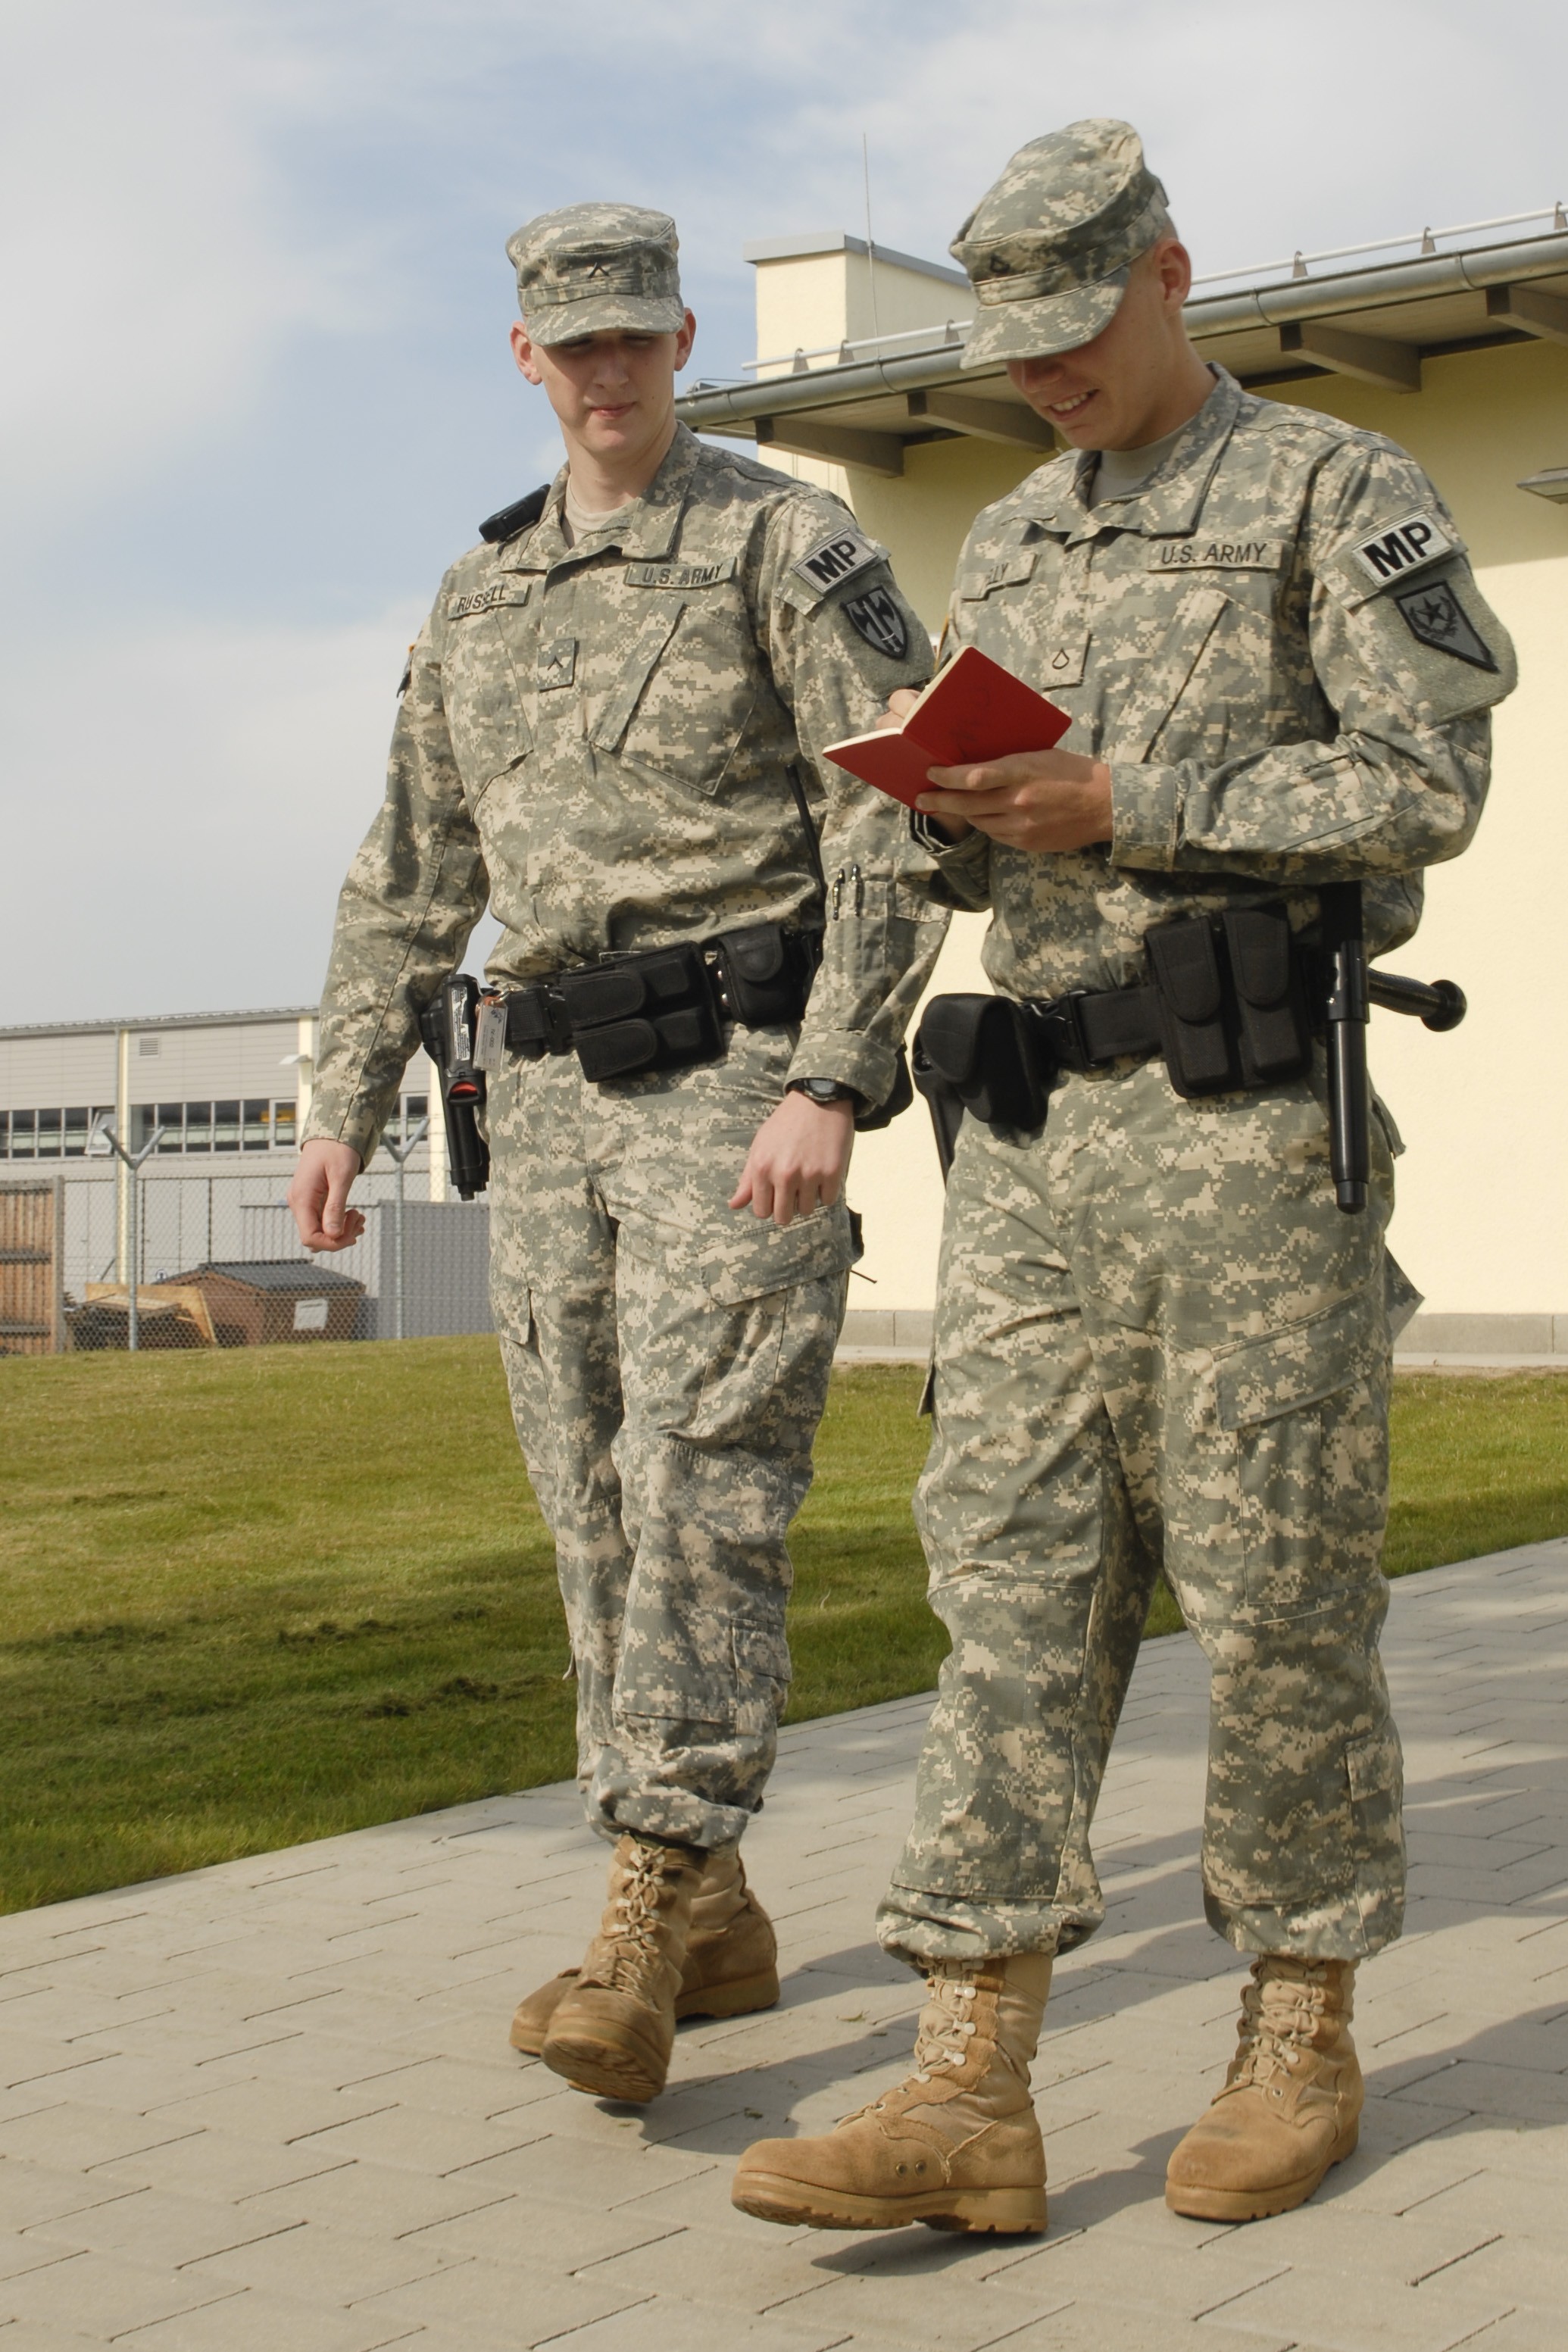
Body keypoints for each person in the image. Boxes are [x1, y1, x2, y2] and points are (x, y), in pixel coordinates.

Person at [733, 119, 1515, 2235]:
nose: (1046, 378)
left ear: (1167, 273)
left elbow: (1422, 779)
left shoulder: (1329, 492)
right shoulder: (1003, 542)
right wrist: (941, 801)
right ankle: (965, 2080)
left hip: (1244, 1130)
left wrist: (1126, 797)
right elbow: (1001, 827)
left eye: (1076, 333)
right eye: (1016, 351)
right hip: (1029, 1140)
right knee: (1001, 1586)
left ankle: (1296, 2022)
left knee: (1269, 1591)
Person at [288, 202, 945, 2107]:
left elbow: (893, 817)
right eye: (570, 345)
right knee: (591, 1498)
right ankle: (718, 1901)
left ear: (678, 344)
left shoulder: (784, 543)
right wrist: (345, 1098)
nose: (605, 373)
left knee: (709, 1479)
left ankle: (649, 1889)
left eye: (635, 339)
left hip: (740, 1076)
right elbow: (411, 865)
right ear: (525, 358)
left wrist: (838, 1071)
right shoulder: (476, 597)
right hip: (551, 1092)